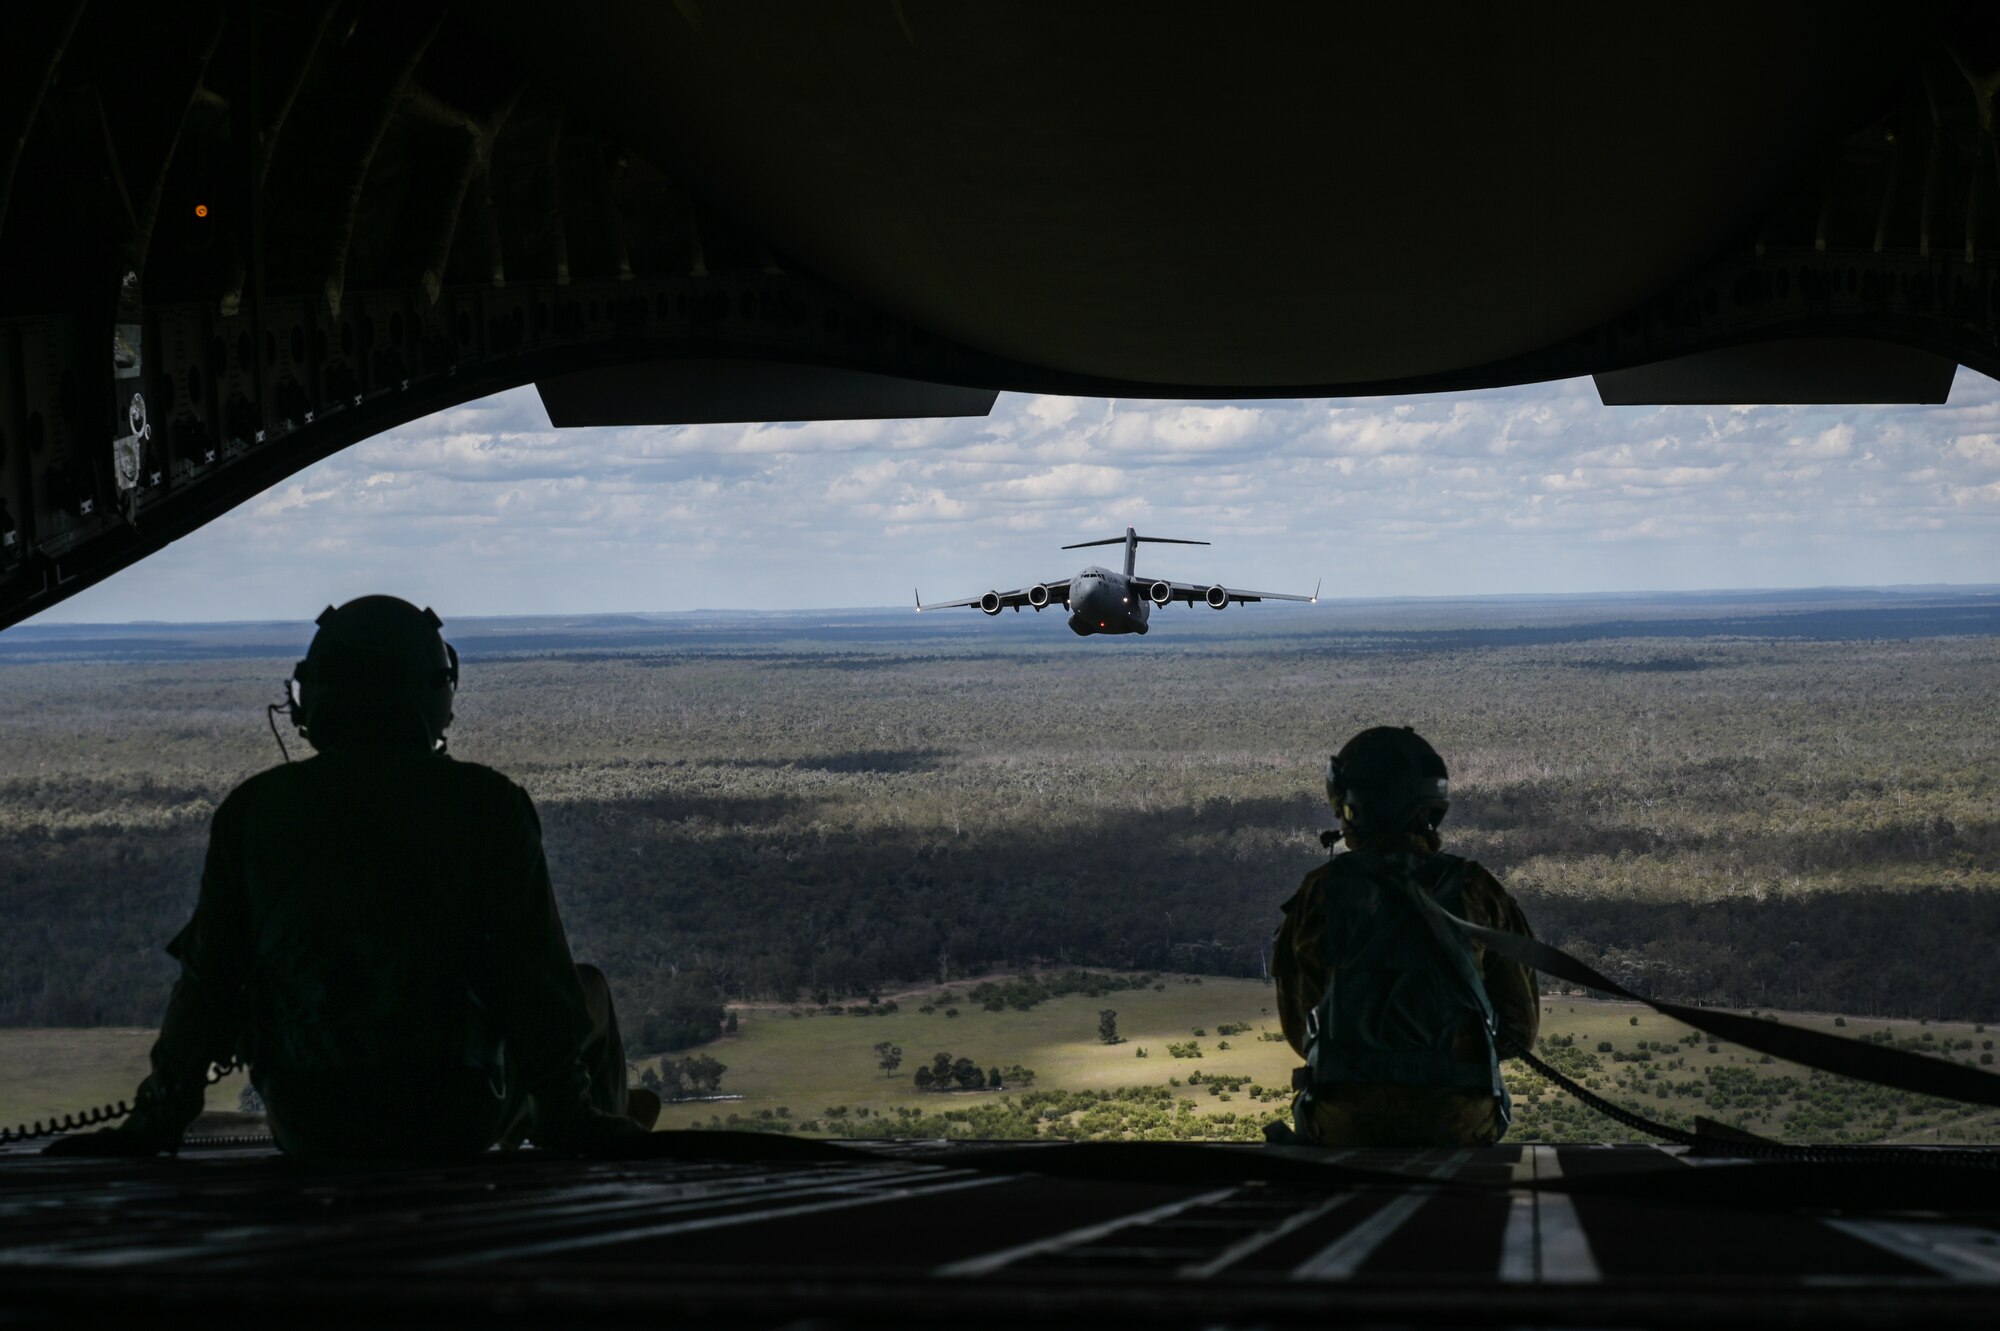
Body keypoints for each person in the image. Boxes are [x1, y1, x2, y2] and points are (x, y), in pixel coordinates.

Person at [49, 596, 656, 1157]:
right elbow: (537, 981)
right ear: (436, 693)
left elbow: (208, 986)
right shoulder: (488, 803)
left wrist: (154, 1121)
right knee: (589, 987)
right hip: (452, 1118)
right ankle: (575, 1127)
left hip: (309, 1122)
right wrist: (564, 1105)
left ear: (308, 698)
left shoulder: (254, 811)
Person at [1271, 725, 1539, 1148]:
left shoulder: (1320, 893)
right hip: (1459, 1123)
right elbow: (1518, 1033)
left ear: (1350, 807)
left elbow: (1299, 1033)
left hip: (1343, 1124)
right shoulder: (1476, 889)